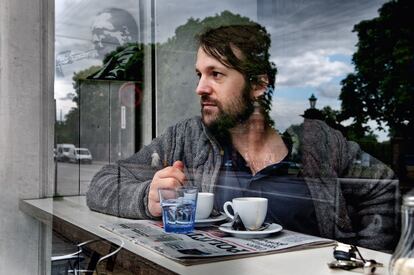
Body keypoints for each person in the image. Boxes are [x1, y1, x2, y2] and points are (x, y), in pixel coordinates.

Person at [86, 23, 399, 251]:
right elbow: (103, 183)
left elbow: (383, 187)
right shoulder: (187, 138)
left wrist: (365, 256)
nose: (200, 88)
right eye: (200, 74)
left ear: (258, 85)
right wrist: (147, 198)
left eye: (216, 74)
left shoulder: (319, 143)